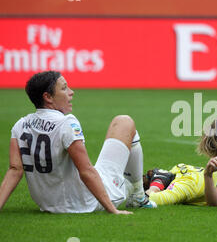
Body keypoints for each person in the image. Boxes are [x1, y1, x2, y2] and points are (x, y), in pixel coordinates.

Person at [0, 71, 156, 214]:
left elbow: (15, 170)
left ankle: (134, 189)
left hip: (49, 205)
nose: (71, 92)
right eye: (64, 88)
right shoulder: (66, 123)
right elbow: (86, 171)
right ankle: (137, 196)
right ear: (48, 97)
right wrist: (112, 210)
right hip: (86, 202)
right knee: (124, 122)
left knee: (107, 169)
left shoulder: (20, 125)